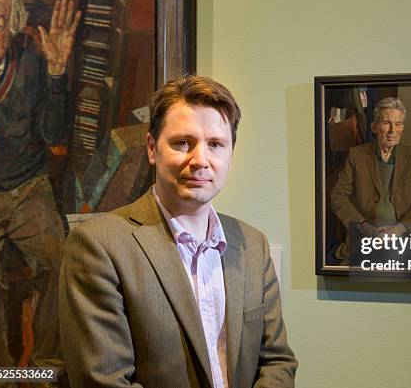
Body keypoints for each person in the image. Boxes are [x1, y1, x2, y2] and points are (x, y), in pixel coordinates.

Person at [59, 75, 298, 388]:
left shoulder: (254, 246)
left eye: (215, 145)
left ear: (230, 154)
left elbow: (277, 361)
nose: (200, 160)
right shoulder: (99, 245)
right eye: (182, 143)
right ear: (151, 148)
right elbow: (103, 380)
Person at [0, 0, 80, 381]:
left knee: (62, 264)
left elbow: (56, 136)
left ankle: (46, 368)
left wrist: (57, 75)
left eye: (0, 22)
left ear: (14, 25)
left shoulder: (32, 60)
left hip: (29, 186)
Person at [330, 97, 411, 263]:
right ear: (374, 126)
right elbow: (338, 196)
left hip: (405, 235)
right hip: (366, 235)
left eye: (398, 124)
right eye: (387, 123)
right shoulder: (356, 155)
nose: (392, 131)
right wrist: (364, 226)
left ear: (403, 128)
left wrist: (400, 228)